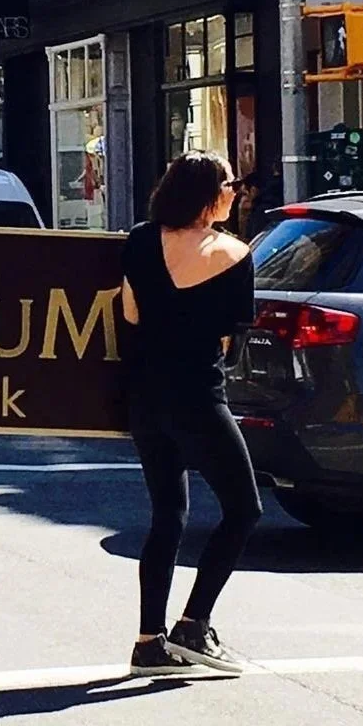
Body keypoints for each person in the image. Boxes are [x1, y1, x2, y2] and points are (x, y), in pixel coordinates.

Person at [121, 151, 262, 678]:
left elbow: (129, 311)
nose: (237, 192)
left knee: (167, 515)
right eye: (231, 184)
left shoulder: (138, 239)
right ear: (209, 193)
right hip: (198, 396)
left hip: (144, 397)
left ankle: (148, 641)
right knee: (244, 510)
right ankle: (194, 625)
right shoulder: (233, 253)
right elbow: (229, 340)